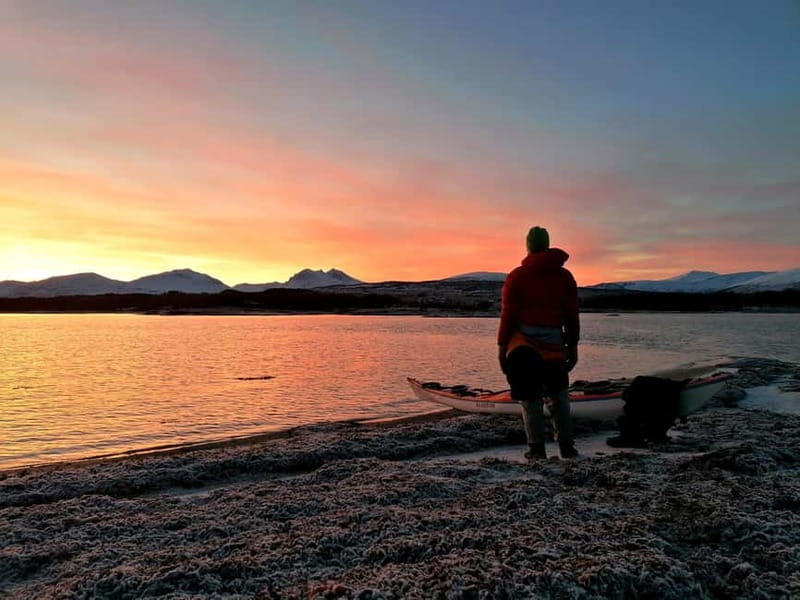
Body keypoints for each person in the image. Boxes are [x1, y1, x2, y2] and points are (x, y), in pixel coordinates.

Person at [497, 226, 580, 460]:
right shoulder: (565, 277)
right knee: (559, 397)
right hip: (555, 346)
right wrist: (572, 348)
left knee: (530, 399)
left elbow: (508, 316)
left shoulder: (517, 276)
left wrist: (502, 348)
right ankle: (567, 447)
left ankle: (536, 449)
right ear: (547, 244)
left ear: (528, 246)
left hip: (524, 350)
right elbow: (572, 316)